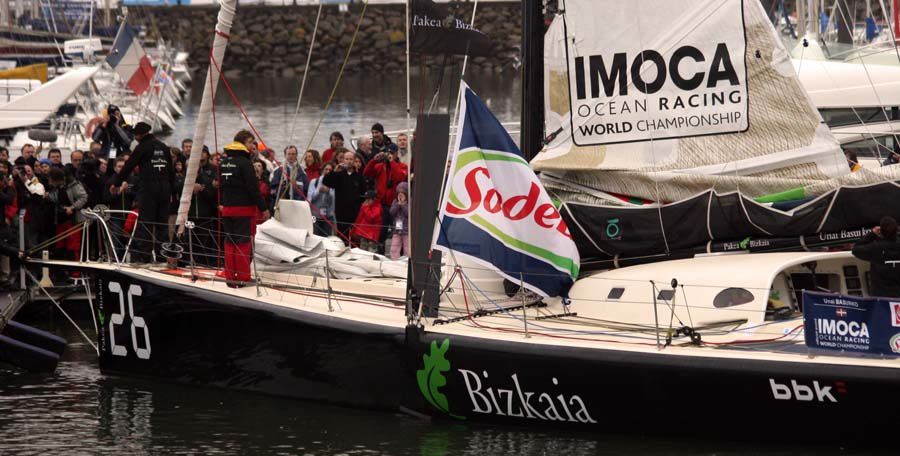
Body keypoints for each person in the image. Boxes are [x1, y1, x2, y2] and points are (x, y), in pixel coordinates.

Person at [109, 122, 174, 263]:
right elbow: (171, 172)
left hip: (149, 189)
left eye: (135, 134)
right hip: (165, 189)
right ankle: (163, 256)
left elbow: (128, 166)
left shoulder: (142, 147)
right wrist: (172, 193)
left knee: (146, 223)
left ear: (139, 135)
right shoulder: (163, 147)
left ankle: (144, 258)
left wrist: (116, 183)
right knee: (162, 225)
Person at [220, 130, 269, 287]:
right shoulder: (245, 163)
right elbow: (253, 188)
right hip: (243, 210)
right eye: (250, 142)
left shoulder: (224, 162)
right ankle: (242, 278)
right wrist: (264, 208)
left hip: (227, 209)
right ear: (242, 143)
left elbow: (221, 186)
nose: (252, 146)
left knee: (229, 243)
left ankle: (230, 277)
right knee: (243, 244)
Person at [852, 216, 900, 297]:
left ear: (880, 231)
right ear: (896, 231)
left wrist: (872, 234)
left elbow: (855, 249)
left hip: (881, 298)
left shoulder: (875, 248)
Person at [322, 150, 365, 239]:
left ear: (354, 161)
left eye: (351, 159)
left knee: (355, 238)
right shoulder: (339, 175)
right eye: (346, 159)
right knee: (342, 236)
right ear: (343, 161)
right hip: (341, 212)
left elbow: (363, 193)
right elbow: (326, 181)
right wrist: (334, 171)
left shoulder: (359, 177)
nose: (349, 161)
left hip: (355, 212)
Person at [46, 167, 87, 261]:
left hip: (72, 221)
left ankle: (75, 273)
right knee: (59, 247)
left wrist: (72, 207)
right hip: (59, 221)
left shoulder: (73, 184)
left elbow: (83, 198)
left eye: (51, 180)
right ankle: (62, 272)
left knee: (72, 248)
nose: (50, 182)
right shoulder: (55, 187)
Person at [308, 163, 336, 237]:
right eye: (326, 169)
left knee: (328, 236)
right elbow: (310, 199)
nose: (328, 171)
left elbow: (334, 200)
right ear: (322, 170)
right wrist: (318, 191)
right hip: (314, 215)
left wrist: (328, 191)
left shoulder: (334, 183)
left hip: (328, 216)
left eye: (330, 170)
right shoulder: (314, 182)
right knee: (314, 235)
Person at [389, 182, 410, 260]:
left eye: (403, 193)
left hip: (407, 230)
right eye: (399, 193)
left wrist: (404, 205)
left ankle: (406, 262)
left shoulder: (410, 201)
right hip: (397, 230)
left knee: (407, 249)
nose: (400, 194)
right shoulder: (395, 201)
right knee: (394, 248)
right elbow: (391, 212)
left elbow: (409, 214)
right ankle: (394, 261)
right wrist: (398, 204)